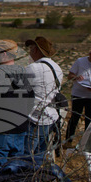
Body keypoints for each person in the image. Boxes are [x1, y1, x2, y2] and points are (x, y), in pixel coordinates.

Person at [0, 40, 32, 172]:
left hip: (1, 131)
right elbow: (30, 101)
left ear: (4, 54)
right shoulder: (25, 73)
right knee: (15, 172)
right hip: (21, 129)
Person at [23, 36, 63, 164]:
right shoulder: (57, 68)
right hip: (50, 119)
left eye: (31, 48)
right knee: (41, 159)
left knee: (25, 159)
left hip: (33, 119)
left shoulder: (33, 68)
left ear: (36, 50)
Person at [65, 47, 91, 142]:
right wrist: (76, 77)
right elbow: (70, 75)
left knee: (89, 120)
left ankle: (86, 142)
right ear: (90, 55)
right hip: (78, 94)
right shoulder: (80, 61)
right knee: (75, 118)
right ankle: (68, 140)